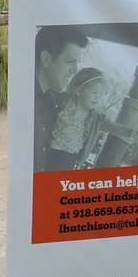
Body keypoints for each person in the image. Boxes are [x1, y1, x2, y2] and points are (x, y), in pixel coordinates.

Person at [34, 26, 90, 170]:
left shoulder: (58, 103)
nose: (76, 70)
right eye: (71, 62)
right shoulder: (24, 101)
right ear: (46, 59)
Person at [46, 68, 114, 169]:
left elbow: (110, 126)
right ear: (78, 91)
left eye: (101, 95)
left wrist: (129, 131)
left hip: (70, 160)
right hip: (50, 153)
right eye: (94, 92)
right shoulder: (63, 102)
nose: (98, 98)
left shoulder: (94, 117)